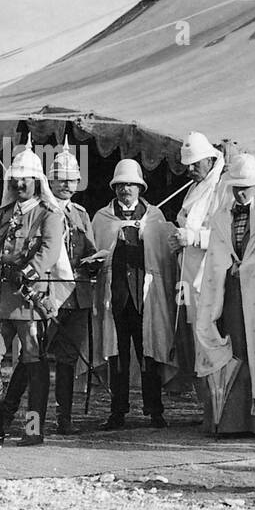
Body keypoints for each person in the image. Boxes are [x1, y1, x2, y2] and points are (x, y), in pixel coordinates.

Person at [0, 147, 68, 446]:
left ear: (38, 181)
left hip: (29, 300)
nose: (19, 185)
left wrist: (29, 272)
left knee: (34, 363)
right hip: (0, 300)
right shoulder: (6, 213)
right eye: (15, 180)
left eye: (26, 179)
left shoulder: (49, 214)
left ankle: (33, 429)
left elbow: (49, 250)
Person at [193, 154, 255, 435]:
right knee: (235, 351)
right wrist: (229, 269)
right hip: (231, 295)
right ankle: (231, 421)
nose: (241, 193)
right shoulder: (220, 218)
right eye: (237, 187)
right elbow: (215, 256)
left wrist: (247, 267)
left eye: (246, 187)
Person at [2, 140, 99, 435]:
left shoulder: (81, 214)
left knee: (68, 359)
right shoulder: (40, 211)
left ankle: (64, 418)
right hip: (44, 293)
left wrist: (94, 262)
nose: (66, 185)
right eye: (61, 179)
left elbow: (90, 249)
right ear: (50, 180)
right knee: (32, 357)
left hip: (77, 294)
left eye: (72, 180)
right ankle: (10, 413)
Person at [93, 158, 175, 430]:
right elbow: (96, 249)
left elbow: (162, 256)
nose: (125, 189)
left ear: (140, 188)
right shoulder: (103, 218)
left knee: (148, 355)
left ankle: (154, 410)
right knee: (118, 357)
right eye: (120, 185)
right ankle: (118, 412)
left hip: (144, 297)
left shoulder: (154, 217)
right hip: (115, 298)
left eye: (130, 184)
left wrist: (145, 237)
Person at [169, 131, 225, 394]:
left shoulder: (220, 189)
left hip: (209, 273)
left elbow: (225, 234)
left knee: (209, 333)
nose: (190, 169)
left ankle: (217, 397)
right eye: (188, 165)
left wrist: (193, 237)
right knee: (192, 334)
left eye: (196, 164)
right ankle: (204, 398)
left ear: (211, 160)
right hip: (188, 273)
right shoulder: (193, 188)